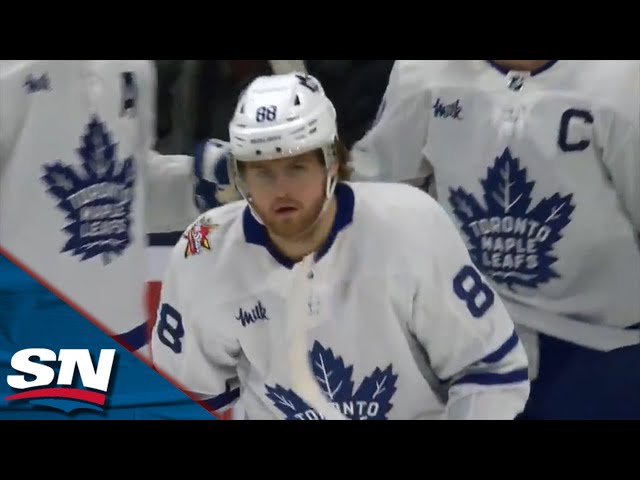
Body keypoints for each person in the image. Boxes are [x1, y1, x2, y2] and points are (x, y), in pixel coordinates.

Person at [150, 72, 530, 420]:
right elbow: (182, 398)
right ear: (240, 176)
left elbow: (492, 370)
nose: (280, 189)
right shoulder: (205, 252)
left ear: (332, 163)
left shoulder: (410, 227)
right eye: (263, 173)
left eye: (296, 168)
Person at [350, 60, 640, 419]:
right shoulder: (422, 73)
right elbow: (377, 189)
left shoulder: (622, 82)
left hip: (603, 337)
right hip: (473, 324)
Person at [0, 60, 216, 419]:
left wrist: (201, 183)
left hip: (124, 339)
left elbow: (131, 190)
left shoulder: (136, 66)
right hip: (27, 345)